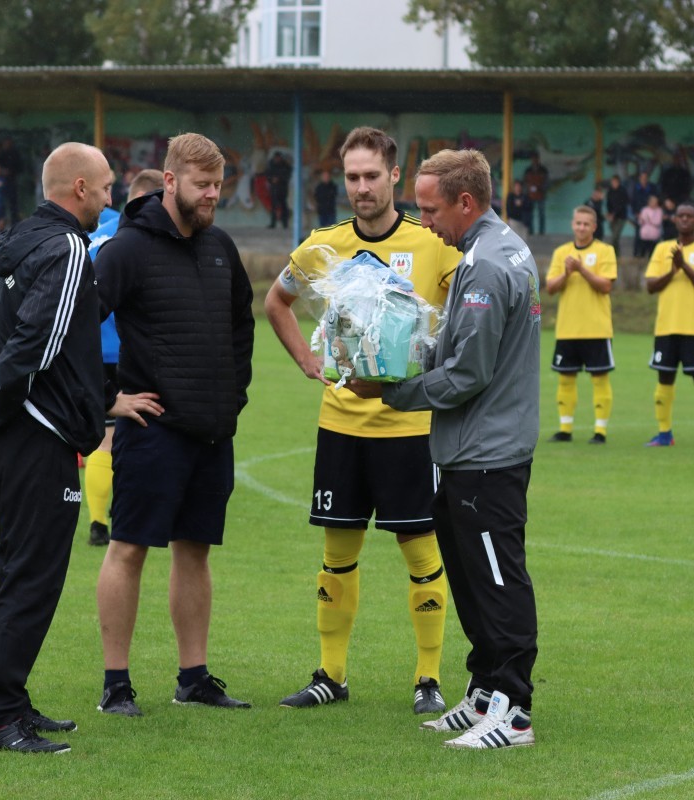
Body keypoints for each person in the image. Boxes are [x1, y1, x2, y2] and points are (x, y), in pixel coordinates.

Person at [0, 143, 151, 754]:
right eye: (105, 187)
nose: (110, 197)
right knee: (33, 578)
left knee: (12, 569)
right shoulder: (67, 248)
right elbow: (36, 344)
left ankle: (9, 702)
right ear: (78, 188)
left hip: (12, 430)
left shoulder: (15, 240)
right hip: (36, 436)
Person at [349, 148, 540, 750]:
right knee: (469, 574)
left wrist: (390, 389)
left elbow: (467, 375)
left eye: (431, 209)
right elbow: (454, 350)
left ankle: (513, 712)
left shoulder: (485, 266)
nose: (424, 221)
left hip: (488, 452)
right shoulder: (488, 249)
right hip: (468, 449)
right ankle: (486, 690)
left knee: (496, 580)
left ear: (466, 201)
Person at [264, 126, 460, 713]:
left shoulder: (432, 244)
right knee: (336, 554)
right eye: (352, 177)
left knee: (421, 553)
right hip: (341, 425)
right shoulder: (323, 245)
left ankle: (428, 679)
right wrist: (307, 360)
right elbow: (278, 301)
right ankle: (331, 674)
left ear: (395, 175)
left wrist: (433, 371)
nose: (361, 187)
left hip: (409, 429)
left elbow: (465, 317)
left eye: (372, 175)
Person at [93, 133, 254, 717]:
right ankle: (116, 683)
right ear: (170, 181)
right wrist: (110, 399)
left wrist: (233, 397)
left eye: (218, 185)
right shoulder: (126, 250)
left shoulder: (220, 247)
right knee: (128, 550)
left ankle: (193, 677)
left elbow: (242, 326)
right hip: (152, 433)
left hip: (213, 432)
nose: (212, 195)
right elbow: (78, 322)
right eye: (201, 185)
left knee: (195, 552)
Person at [83, 167, 164, 547]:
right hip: (132, 348)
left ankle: (98, 522)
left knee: (103, 437)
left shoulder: (89, 234)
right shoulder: (140, 236)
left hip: (89, 347)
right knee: (136, 434)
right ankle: (130, 514)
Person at [643, 203, 694, 449]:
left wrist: (685, 266)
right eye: (681, 216)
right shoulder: (662, 248)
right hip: (666, 326)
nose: (685, 219)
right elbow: (651, 286)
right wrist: (673, 269)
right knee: (664, 379)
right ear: (674, 220)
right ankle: (664, 434)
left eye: (690, 216)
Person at [546, 205, 617, 444]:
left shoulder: (605, 251)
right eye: (578, 223)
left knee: (599, 379)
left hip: (597, 328)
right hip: (568, 328)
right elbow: (550, 288)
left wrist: (581, 269)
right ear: (572, 224)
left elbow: (606, 286)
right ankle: (565, 429)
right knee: (565, 378)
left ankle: (601, 431)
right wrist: (567, 273)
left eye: (586, 224)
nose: (582, 227)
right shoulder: (561, 253)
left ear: (594, 227)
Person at [522, 154, 549, 234]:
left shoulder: (543, 170)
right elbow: (524, 183)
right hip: (530, 196)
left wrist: (540, 188)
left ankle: (541, 232)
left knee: (541, 214)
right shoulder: (528, 170)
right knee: (530, 215)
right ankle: (530, 231)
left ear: (538, 159)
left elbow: (547, 182)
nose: (534, 161)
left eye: (536, 159)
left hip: (541, 195)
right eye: (533, 159)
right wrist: (527, 191)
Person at [266, 151, 292, 229]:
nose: (277, 159)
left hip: (282, 189)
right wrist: (272, 179)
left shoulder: (285, 166)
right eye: (276, 157)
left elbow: (287, 175)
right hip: (274, 189)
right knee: (274, 206)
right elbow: (268, 175)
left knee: (284, 206)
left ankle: (285, 224)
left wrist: (279, 179)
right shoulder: (271, 165)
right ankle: (273, 223)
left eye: (278, 157)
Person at [605, 174, 629, 251]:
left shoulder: (622, 191)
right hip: (612, 217)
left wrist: (614, 214)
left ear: (618, 182)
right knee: (615, 238)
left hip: (621, 217)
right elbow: (608, 203)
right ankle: (616, 254)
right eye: (613, 182)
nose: (614, 183)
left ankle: (610, 252)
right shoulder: (610, 191)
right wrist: (609, 213)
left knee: (614, 236)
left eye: (615, 182)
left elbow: (622, 205)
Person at [636, 194, 663, 258]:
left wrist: (649, 220)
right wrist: (641, 219)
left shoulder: (659, 210)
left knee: (652, 252)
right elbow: (640, 222)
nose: (654, 203)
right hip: (644, 234)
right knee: (642, 251)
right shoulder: (644, 209)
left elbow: (658, 222)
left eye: (655, 202)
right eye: (652, 202)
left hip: (654, 235)